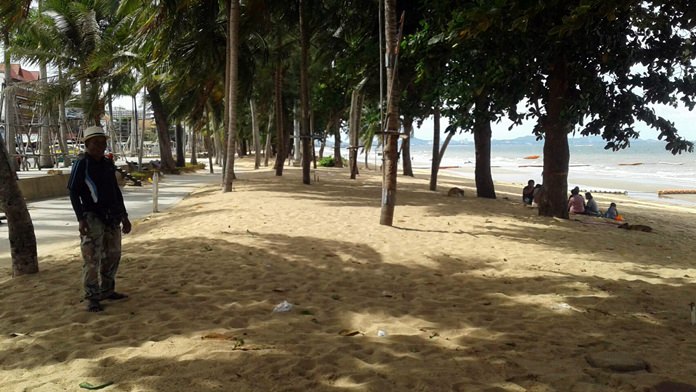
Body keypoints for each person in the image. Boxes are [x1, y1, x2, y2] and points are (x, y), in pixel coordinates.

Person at [68, 126, 132, 312]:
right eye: (96, 143)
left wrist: (124, 216)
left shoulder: (106, 164)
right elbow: (73, 192)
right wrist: (80, 218)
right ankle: (92, 296)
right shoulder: (81, 164)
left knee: (113, 255)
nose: (100, 146)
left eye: (103, 143)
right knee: (91, 258)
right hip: (92, 216)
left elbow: (115, 191)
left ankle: (107, 289)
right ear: (87, 144)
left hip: (112, 216)